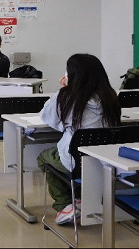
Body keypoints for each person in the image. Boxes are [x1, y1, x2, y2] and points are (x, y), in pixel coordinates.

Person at [37, 53, 121, 225]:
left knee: (44, 157)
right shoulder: (110, 96)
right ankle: (81, 197)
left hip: (77, 162)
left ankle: (64, 204)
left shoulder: (67, 96)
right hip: (106, 160)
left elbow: (49, 118)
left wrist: (64, 90)